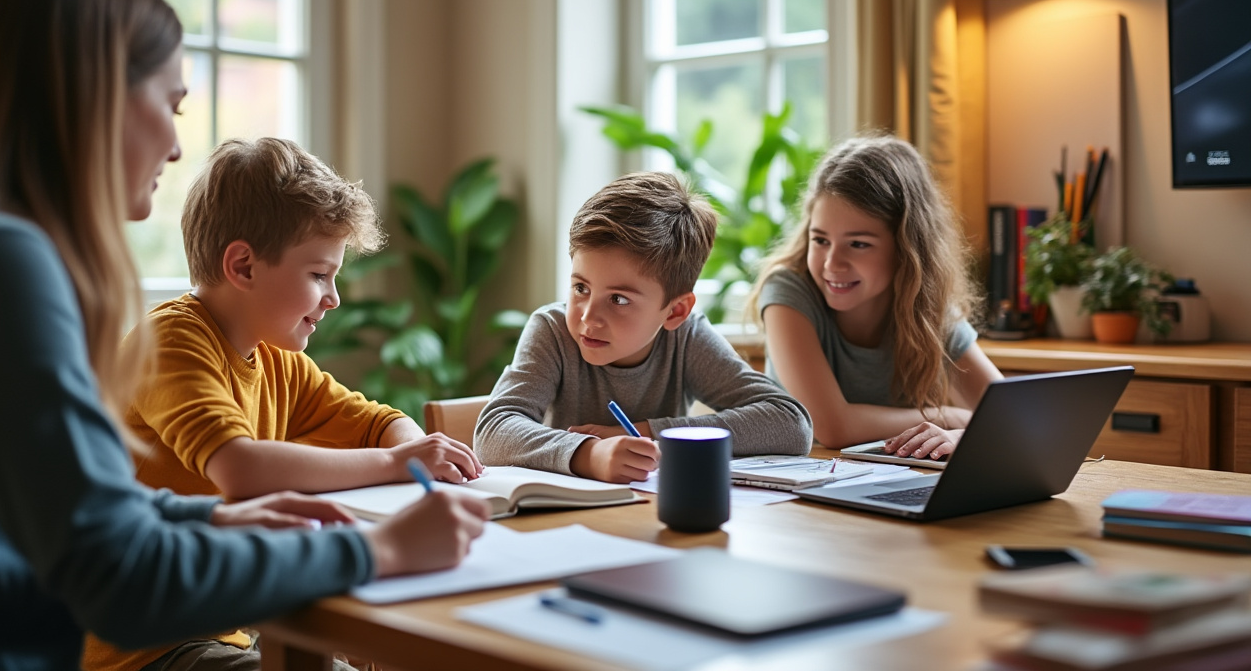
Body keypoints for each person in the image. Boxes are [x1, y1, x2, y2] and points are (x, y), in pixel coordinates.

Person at [0, 0, 490, 671]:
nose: (177, 147)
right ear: (87, 95)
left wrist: (210, 515)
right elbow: (116, 575)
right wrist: (380, 547)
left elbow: (77, 506)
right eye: (169, 103)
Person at [83, 136, 486, 671]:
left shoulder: (276, 359)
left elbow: (380, 423)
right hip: (143, 645)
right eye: (319, 274)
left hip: (230, 621)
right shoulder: (171, 342)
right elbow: (242, 468)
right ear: (244, 266)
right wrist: (397, 462)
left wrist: (418, 451)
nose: (334, 297)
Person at [474, 172, 812, 483]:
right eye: (581, 288)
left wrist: (648, 433)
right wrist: (589, 453)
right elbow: (492, 432)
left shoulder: (686, 337)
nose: (589, 317)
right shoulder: (552, 331)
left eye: (618, 299)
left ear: (675, 310)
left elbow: (791, 424)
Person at [745, 135, 1002, 461]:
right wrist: (950, 417)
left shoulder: (928, 310)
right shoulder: (787, 293)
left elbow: (1012, 418)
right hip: (797, 491)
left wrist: (962, 434)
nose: (831, 264)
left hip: (889, 484)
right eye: (821, 239)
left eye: (858, 244)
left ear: (906, 249)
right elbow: (830, 426)